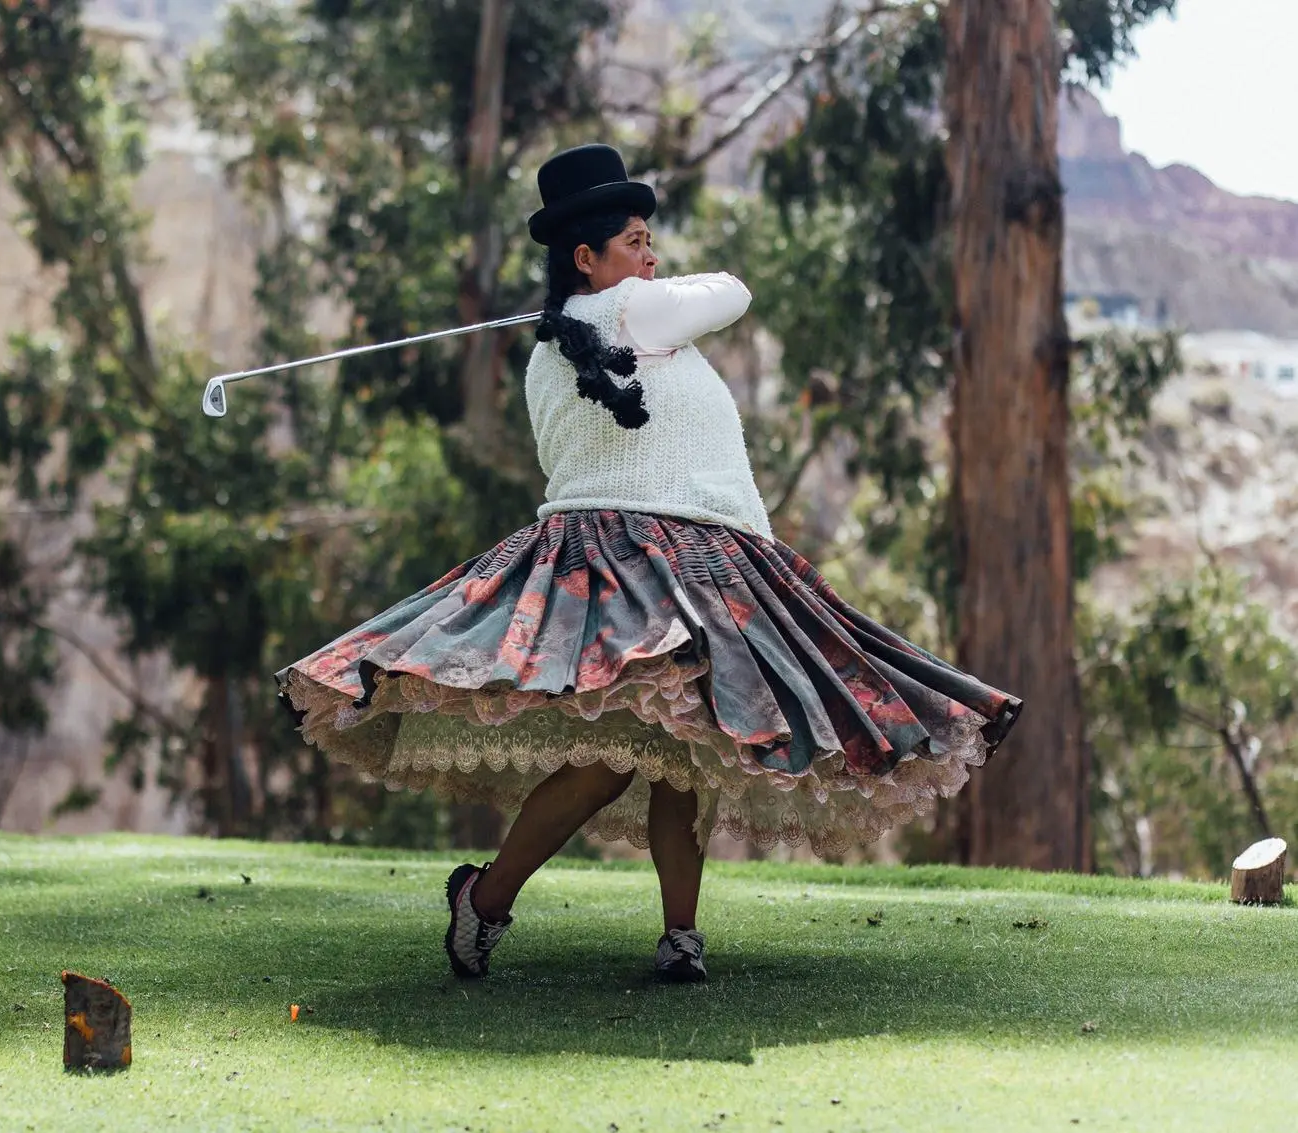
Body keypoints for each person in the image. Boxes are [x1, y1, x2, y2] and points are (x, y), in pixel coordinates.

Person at [276, 143, 1021, 984]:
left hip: (671, 552)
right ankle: (487, 900)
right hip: (643, 557)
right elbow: (734, 290)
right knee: (617, 758)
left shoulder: (552, 349)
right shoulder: (636, 311)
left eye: (648, 238)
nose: (650, 254)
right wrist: (634, 296)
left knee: (681, 749)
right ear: (585, 259)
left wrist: (619, 300)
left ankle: (676, 934)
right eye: (632, 240)